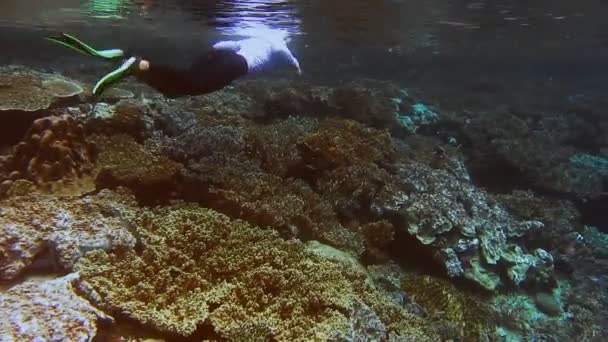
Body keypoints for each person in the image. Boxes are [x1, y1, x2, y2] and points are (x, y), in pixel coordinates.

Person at [46, 32, 302, 98]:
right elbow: (290, 59)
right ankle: (140, 66)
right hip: (238, 64)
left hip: (222, 55)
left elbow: (222, 43)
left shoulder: (255, 38)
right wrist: (297, 69)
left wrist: (209, 56)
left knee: (176, 89)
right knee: (194, 86)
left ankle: (126, 61)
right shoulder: (278, 41)